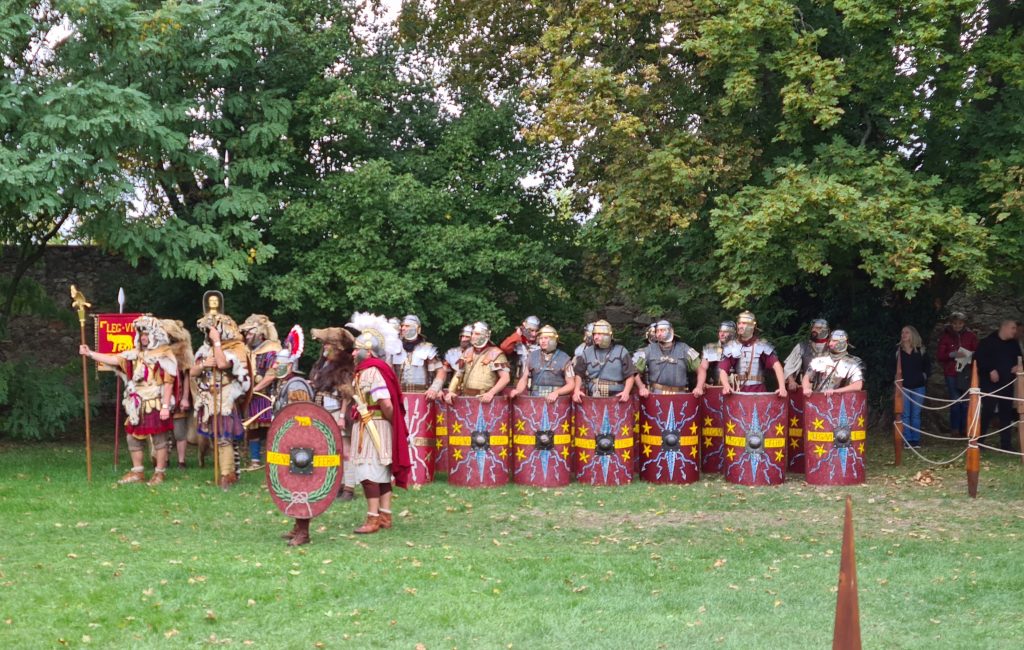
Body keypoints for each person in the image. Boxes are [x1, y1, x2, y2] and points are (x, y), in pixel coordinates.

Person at [80, 316, 177, 485]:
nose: (144, 338)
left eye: (147, 334)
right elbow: (114, 359)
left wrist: (165, 406)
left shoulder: (164, 355)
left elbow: (169, 383)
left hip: (155, 400)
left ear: (154, 335)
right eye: (142, 334)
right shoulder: (134, 355)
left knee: (159, 438)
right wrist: (90, 354)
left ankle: (159, 473)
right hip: (137, 403)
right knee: (132, 437)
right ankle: (138, 472)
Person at [346, 312, 412, 534]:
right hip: (374, 425)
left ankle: (373, 518)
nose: (354, 353)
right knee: (381, 474)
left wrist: (394, 426)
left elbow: (386, 403)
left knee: (369, 474)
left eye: (357, 349)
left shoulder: (372, 371)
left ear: (369, 351)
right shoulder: (368, 370)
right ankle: (385, 516)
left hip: (373, 426)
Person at [192, 312, 252, 489]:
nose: (209, 335)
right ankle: (228, 471)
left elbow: (224, 364)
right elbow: (192, 372)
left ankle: (227, 475)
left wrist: (217, 342)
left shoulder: (237, 348)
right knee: (215, 438)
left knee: (224, 438)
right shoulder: (205, 350)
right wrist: (204, 364)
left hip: (225, 398)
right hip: (209, 398)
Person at [309, 326, 357, 501]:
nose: (325, 347)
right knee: (331, 450)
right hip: (323, 411)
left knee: (345, 450)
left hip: (338, 411)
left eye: (328, 344)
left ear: (337, 346)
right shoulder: (323, 363)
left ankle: (349, 488)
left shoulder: (344, 366)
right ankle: (337, 484)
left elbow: (347, 394)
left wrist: (343, 416)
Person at [239, 314, 281, 470]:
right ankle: (255, 460)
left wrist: (253, 390)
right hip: (252, 396)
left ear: (259, 334)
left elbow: (272, 375)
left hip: (268, 394)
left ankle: (274, 460)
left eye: (250, 333)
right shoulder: (247, 351)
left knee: (271, 428)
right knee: (252, 428)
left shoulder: (271, 351)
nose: (247, 336)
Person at [975, 319, 1022, 451]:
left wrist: (1017, 367)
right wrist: (990, 369)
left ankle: (1006, 445)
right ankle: (979, 442)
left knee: (1006, 414)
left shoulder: (1013, 344)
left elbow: (1019, 359)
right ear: (1004, 328)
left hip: (1007, 383)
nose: (1015, 331)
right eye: (1013, 328)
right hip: (990, 384)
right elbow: (978, 360)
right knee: (987, 412)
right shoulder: (987, 342)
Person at [718, 311, 787, 397]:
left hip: (759, 392)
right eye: (739, 323)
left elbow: (777, 366)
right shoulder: (731, 347)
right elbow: (723, 370)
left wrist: (782, 387)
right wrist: (726, 386)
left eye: (744, 323)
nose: (740, 326)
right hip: (738, 392)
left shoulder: (762, 346)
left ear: (752, 326)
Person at [444, 322, 511, 404]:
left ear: (485, 335)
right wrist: (451, 391)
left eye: (477, 334)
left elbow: (505, 378)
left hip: (486, 400)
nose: (473, 336)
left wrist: (491, 393)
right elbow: (458, 374)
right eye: (472, 333)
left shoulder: (496, 353)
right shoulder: (467, 352)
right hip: (466, 398)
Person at [936, 312, 978, 436]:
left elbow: (977, 351)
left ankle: (965, 428)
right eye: (955, 323)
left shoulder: (970, 336)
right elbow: (940, 355)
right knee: (955, 401)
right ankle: (955, 429)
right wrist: (952, 354)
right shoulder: (946, 337)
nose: (957, 326)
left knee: (965, 401)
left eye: (960, 323)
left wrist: (969, 354)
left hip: (966, 371)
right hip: (951, 372)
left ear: (964, 323)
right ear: (951, 324)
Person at [572, 320, 636, 402]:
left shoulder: (621, 351)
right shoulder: (587, 353)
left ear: (608, 335)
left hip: (617, 396)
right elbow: (578, 374)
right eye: (594, 334)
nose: (595, 337)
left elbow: (630, 375)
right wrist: (577, 390)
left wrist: (626, 392)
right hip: (593, 396)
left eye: (599, 334)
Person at [509, 325, 575, 401]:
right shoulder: (532, 356)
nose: (543, 341)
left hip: (558, 401)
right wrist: (518, 390)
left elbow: (571, 384)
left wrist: (557, 393)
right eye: (541, 338)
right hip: (536, 400)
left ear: (554, 340)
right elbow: (524, 378)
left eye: (546, 338)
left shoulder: (564, 358)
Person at [162, 319, 195, 469]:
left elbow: (187, 375)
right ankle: (164, 460)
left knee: (179, 431)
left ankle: (181, 461)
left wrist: (185, 397)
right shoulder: (157, 349)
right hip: (160, 394)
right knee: (162, 430)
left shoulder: (183, 349)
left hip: (178, 391)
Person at [635, 320, 700, 396]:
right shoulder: (649, 350)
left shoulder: (684, 349)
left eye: (662, 330)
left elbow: (700, 368)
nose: (659, 333)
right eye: (657, 331)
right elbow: (634, 371)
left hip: (680, 395)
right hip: (656, 394)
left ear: (670, 331)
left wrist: (699, 386)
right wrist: (642, 387)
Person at [391, 314, 445, 399]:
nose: (403, 328)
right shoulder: (395, 348)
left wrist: (434, 389)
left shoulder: (427, 348)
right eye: (402, 326)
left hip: (422, 397)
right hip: (399, 396)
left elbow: (440, 372)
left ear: (416, 328)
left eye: (407, 326)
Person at [895, 325, 929, 448]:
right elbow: (892, 367)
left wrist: (923, 377)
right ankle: (907, 440)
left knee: (916, 414)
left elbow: (927, 367)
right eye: (902, 332)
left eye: (907, 332)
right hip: (904, 387)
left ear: (912, 335)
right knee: (905, 414)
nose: (904, 335)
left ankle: (916, 440)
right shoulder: (898, 351)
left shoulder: (921, 350)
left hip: (919, 386)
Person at [802, 330, 864, 394]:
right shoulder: (819, 359)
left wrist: (835, 392)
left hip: (841, 401)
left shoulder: (853, 362)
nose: (830, 344)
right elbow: (807, 377)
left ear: (843, 342)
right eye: (830, 341)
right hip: (818, 399)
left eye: (834, 341)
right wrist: (806, 388)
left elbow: (857, 385)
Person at [783, 318, 830, 391]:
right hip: (807, 388)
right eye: (813, 328)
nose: (813, 330)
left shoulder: (832, 348)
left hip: (829, 389)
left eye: (818, 328)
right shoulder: (802, 347)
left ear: (825, 330)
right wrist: (791, 381)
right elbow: (789, 366)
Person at [693, 321, 736, 397]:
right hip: (718, 389)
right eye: (720, 331)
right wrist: (701, 384)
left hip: (739, 388)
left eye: (725, 332)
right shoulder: (711, 349)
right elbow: (702, 367)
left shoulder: (742, 348)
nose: (721, 334)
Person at [499, 315, 541, 382]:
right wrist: (517, 335)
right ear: (525, 329)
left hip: (536, 381)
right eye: (531, 330)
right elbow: (504, 347)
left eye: (536, 331)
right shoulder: (517, 340)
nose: (534, 334)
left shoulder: (541, 342)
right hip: (517, 381)